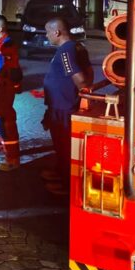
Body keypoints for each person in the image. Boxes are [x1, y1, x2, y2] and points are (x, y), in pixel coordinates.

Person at [42, 17, 93, 195]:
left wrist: (80, 93)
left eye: (48, 32)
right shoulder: (78, 46)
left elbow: (80, 78)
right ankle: (59, 173)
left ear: (56, 32)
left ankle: (66, 184)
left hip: (63, 106)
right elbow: (89, 72)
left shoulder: (65, 52)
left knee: (63, 144)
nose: (47, 36)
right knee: (63, 144)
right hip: (63, 103)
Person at [0, 15, 23, 171]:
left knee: (5, 122)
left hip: (3, 88)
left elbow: (8, 71)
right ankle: (0, 147)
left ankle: (12, 159)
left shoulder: (5, 46)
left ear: (0, 28)